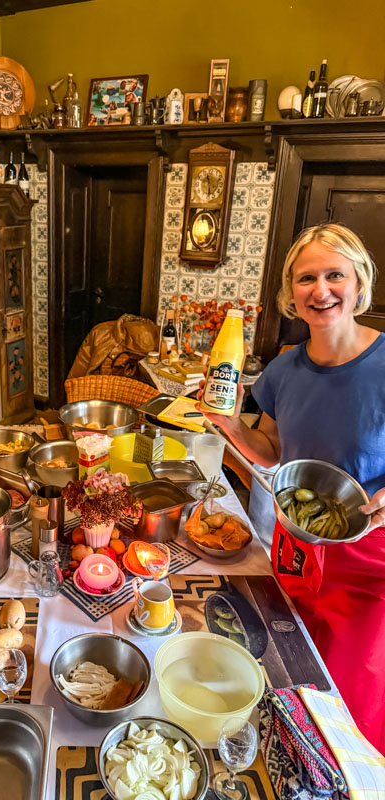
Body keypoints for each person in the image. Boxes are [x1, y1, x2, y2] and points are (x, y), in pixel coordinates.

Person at [202, 223, 385, 753]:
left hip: (369, 559)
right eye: (307, 278)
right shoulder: (284, 369)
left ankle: (349, 777)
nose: (321, 290)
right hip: (296, 545)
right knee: (288, 664)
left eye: (335, 275)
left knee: (356, 684)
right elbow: (272, 451)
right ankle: (289, 759)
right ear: (290, 292)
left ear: (359, 283)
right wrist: (231, 424)